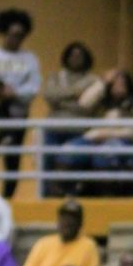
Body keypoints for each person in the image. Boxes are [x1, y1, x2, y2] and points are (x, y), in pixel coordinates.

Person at [57, 68, 133, 193]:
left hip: (121, 141)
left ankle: (105, 196)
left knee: (104, 154)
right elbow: (84, 102)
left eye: (122, 82)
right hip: (92, 140)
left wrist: (107, 134)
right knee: (68, 151)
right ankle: (67, 195)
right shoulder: (101, 102)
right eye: (115, 83)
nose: (119, 85)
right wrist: (103, 82)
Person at [0, 8, 41, 198]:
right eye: (13, 34)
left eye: (21, 35)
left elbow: (33, 87)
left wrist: (13, 93)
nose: (17, 39)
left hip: (16, 116)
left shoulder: (30, 59)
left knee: (12, 160)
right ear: (4, 32)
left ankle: (8, 200)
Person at [43, 41, 101, 192]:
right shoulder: (55, 76)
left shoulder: (94, 81)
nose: (76, 58)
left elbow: (85, 107)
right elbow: (50, 96)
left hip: (79, 131)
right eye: (73, 55)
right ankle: (47, 194)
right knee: (47, 162)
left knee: (69, 161)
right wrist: (75, 93)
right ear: (66, 57)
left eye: (79, 55)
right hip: (53, 129)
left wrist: (61, 100)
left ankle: (69, 194)